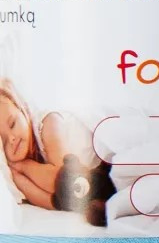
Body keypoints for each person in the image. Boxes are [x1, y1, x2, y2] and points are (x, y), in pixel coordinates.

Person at [0, 78, 94, 208]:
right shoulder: (18, 168)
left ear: (22, 110)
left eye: (12, 124)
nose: (11, 138)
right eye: (3, 141)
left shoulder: (48, 123)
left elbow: (64, 184)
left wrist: (23, 166)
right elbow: (57, 203)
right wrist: (16, 177)